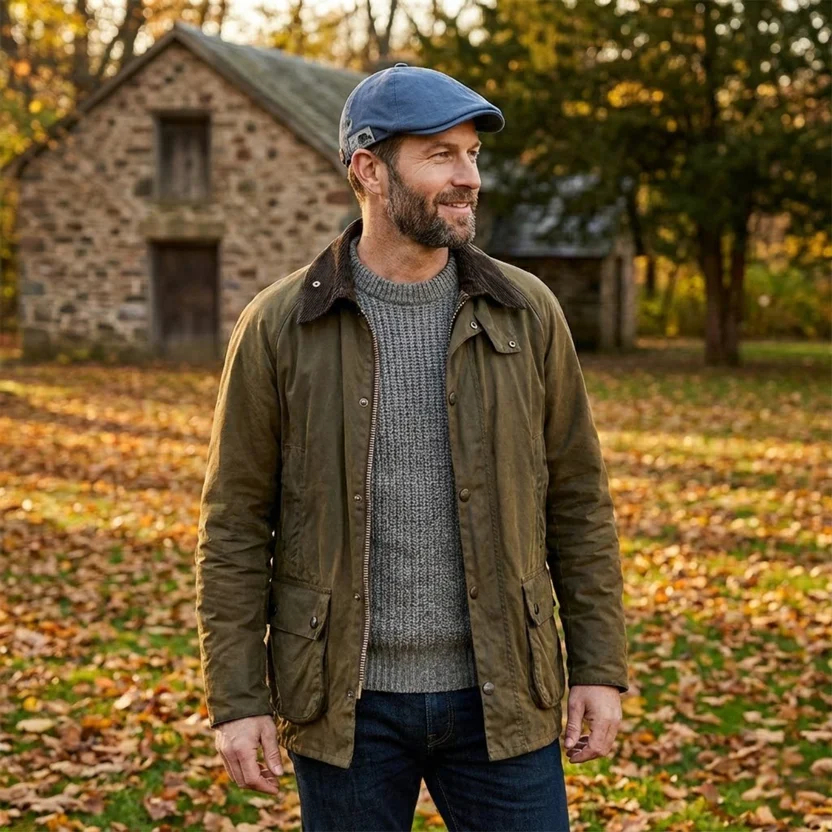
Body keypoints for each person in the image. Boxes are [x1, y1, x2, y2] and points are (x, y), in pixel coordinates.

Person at [195, 62, 629, 832]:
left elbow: (579, 502)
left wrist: (598, 668)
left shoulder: (527, 313)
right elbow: (233, 525)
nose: (469, 178)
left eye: (472, 155)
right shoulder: (278, 326)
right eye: (441, 155)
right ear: (368, 169)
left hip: (504, 691)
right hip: (343, 703)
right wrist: (238, 700)